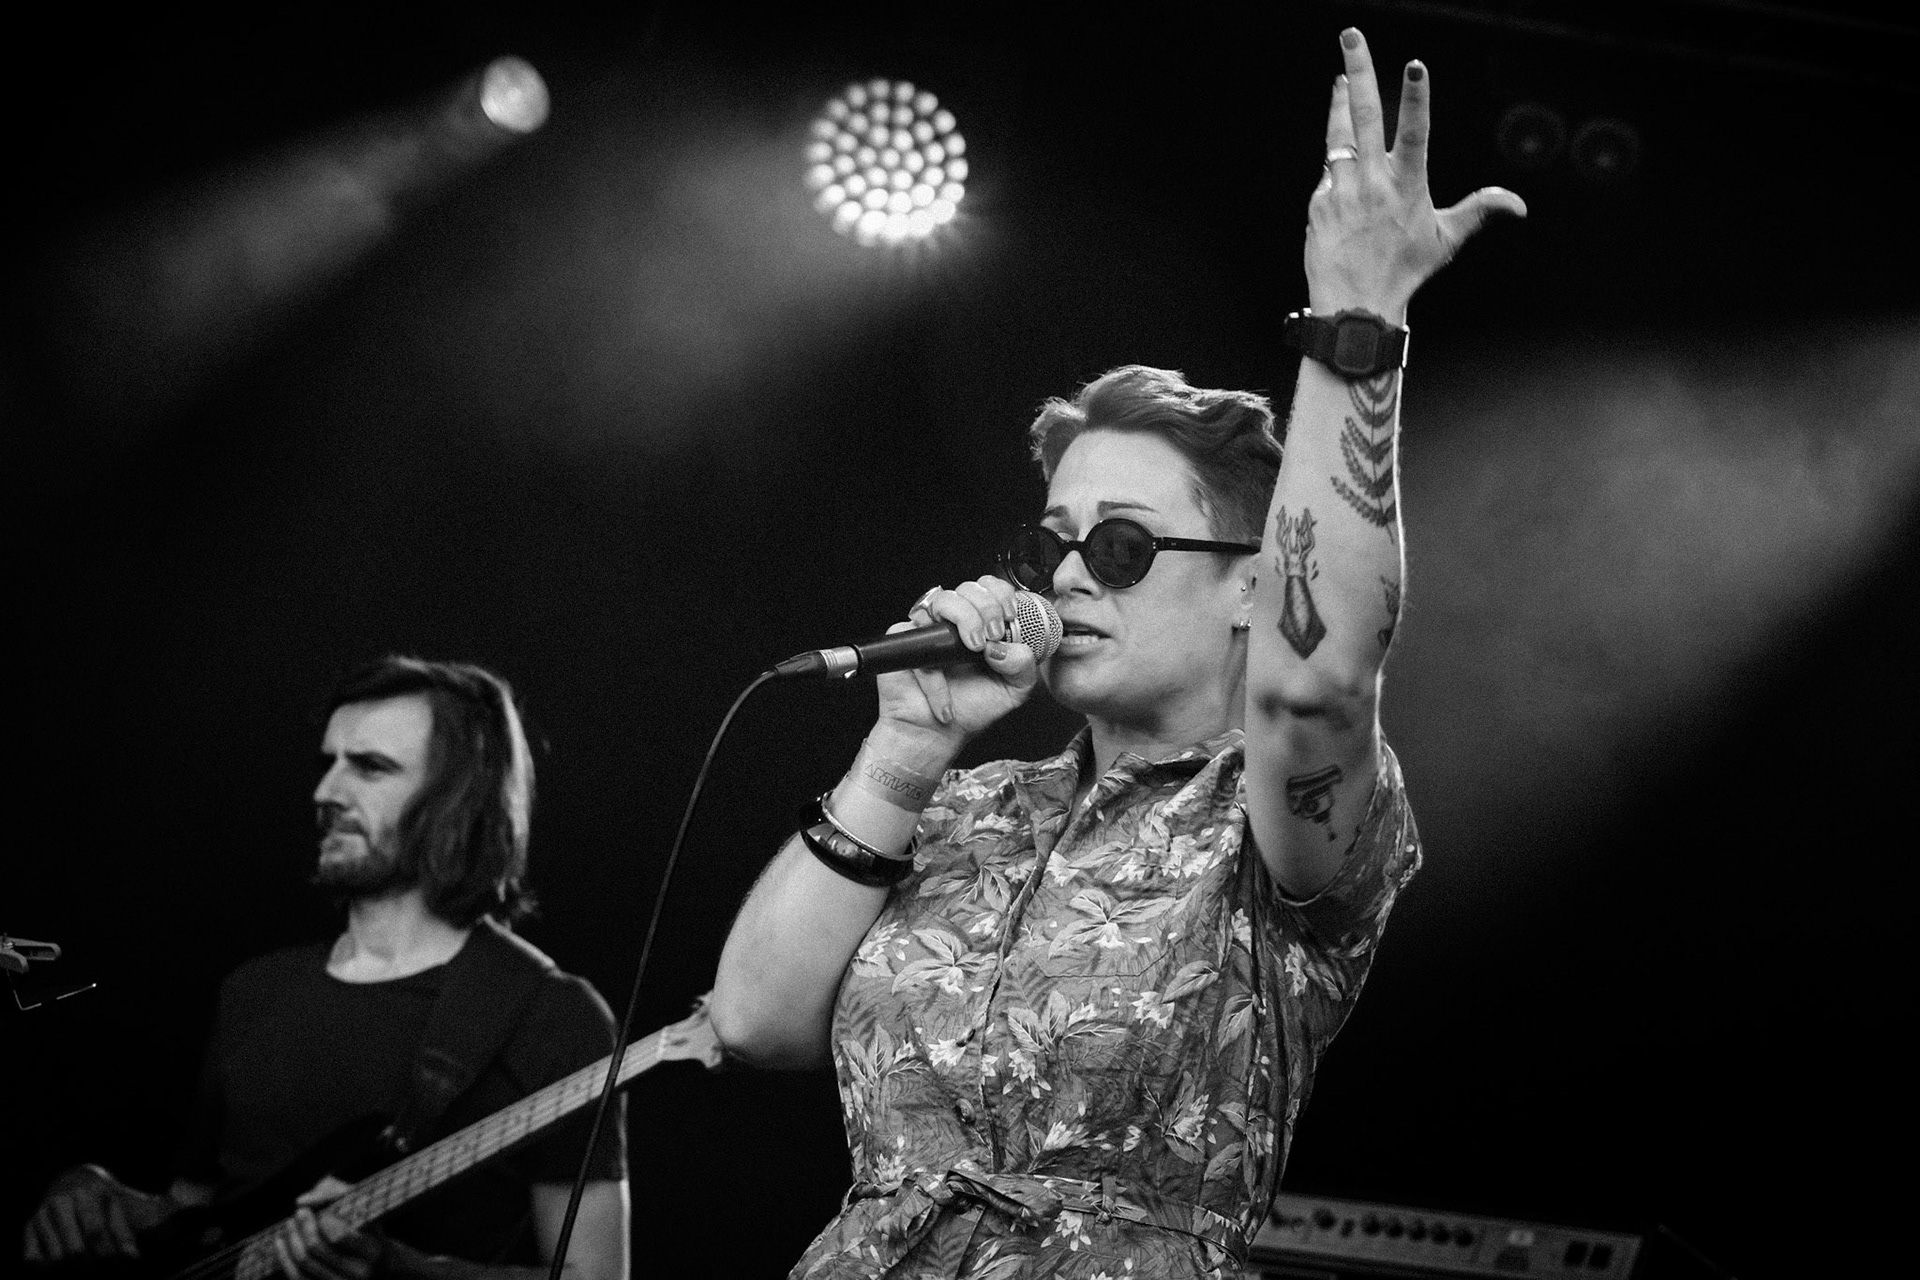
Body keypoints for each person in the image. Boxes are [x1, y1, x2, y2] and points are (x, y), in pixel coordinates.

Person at [709, 28, 1525, 1280]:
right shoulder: (967, 809)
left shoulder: (1266, 831)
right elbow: (753, 1018)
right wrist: (905, 747)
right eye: (1056, 545)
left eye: (1126, 544)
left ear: (1253, 582)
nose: (1071, 574)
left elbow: (1320, 683)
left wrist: (1359, 319)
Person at [21, 657, 631, 1280]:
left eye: (370, 767)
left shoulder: (551, 1016)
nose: (326, 794)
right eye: (328, 764)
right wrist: (97, 1194)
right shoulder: (254, 991)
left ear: (458, 799)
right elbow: (195, 1221)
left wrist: (402, 1271)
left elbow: (597, 1276)